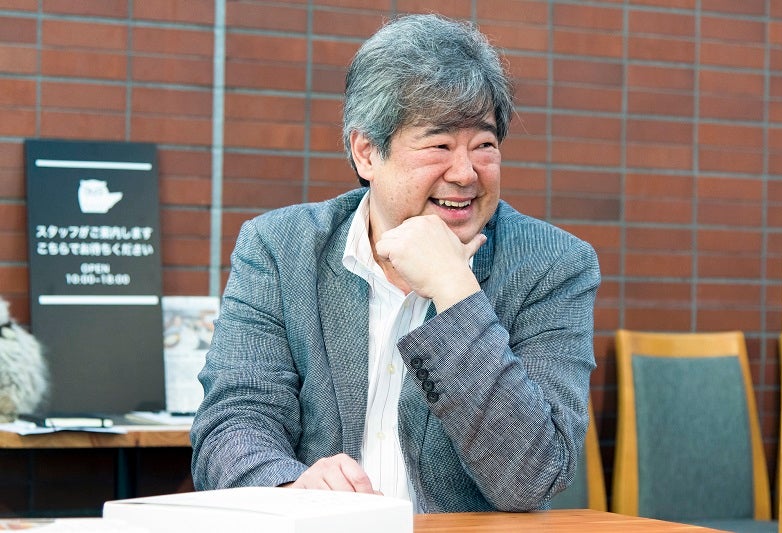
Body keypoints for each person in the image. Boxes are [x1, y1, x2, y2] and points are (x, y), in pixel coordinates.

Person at [190, 13, 600, 513]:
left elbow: (532, 477)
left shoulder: (553, 265)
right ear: (366, 152)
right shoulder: (279, 249)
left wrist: (455, 292)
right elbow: (232, 423)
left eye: (484, 145)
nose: (466, 173)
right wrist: (289, 491)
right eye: (439, 145)